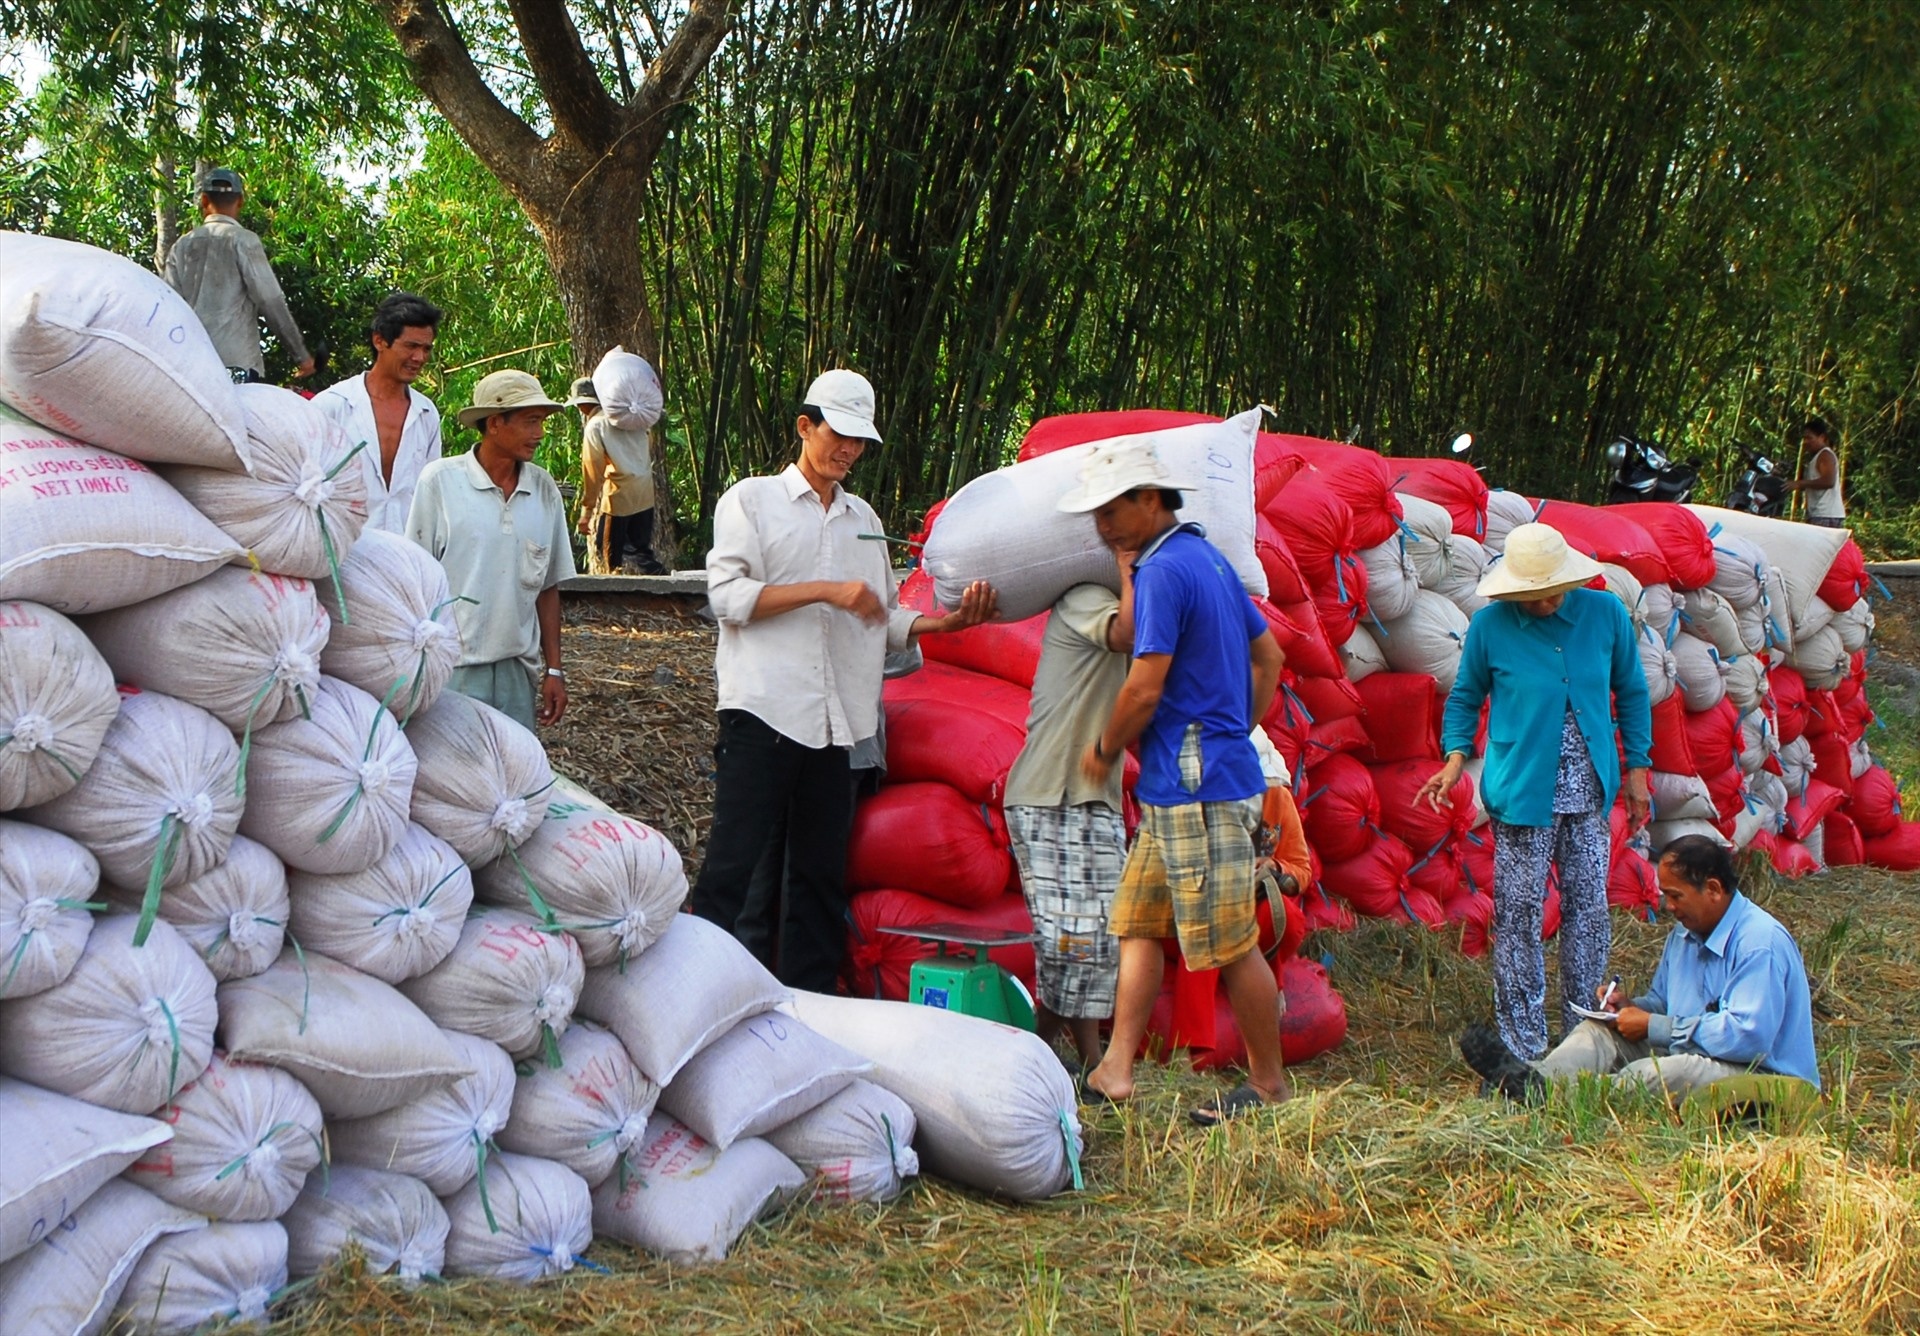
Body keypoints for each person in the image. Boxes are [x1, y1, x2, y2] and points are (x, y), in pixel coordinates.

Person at [692, 369, 994, 993]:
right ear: (805, 427)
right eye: (840, 435)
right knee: (734, 867)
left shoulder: (864, 518)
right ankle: (703, 994)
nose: (850, 451)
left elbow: (880, 615)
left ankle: (808, 1002)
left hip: (839, 722)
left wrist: (945, 622)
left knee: (820, 873)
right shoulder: (750, 501)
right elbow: (727, 596)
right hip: (765, 713)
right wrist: (828, 591)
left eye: (860, 441)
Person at [1070, 440, 1288, 1125]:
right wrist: (1236, 726)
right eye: (1095, 513)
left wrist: (1105, 747)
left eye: (1114, 509)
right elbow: (1270, 655)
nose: (1103, 524)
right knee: (1138, 924)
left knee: (1227, 940)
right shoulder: (1209, 560)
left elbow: (1143, 685)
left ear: (1151, 500)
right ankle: (1117, 1068)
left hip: (1196, 787)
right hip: (1184, 781)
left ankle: (1267, 1084)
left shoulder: (1165, 571)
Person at [1416, 523, 1652, 1066]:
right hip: (1523, 792)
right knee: (1519, 913)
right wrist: (1454, 760)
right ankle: (1522, 1043)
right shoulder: (1490, 627)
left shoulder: (1604, 615)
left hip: (1589, 789)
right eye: (1533, 594)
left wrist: (1638, 769)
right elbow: (1465, 697)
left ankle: (1584, 1037)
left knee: (1589, 909)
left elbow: (1633, 690)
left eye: (1552, 590)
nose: (1545, 601)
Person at [1461, 834, 1819, 1103]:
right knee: (1597, 1032)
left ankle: (1559, 1098)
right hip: (1697, 1049)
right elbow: (1664, 1005)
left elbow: (1747, 1040)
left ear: (1712, 889)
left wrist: (1654, 1026)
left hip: (1765, 1075)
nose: (1667, 906)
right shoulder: (1684, 936)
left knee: (1670, 1071)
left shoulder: (1759, 943)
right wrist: (1630, 1007)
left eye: (1676, 896)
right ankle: (1535, 1081)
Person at [1002, 577, 1134, 1070]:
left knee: (1097, 939)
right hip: (1051, 792)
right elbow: (1126, 634)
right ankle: (1054, 1054)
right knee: (1073, 944)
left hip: (1093, 795)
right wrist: (1131, 563)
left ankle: (1069, 1057)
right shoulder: (1085, 598)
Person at [405, 370, 575, 731]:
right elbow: (414, 581)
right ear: (495, 423)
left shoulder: (543, 489)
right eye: (531, 422)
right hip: (454, 667)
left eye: (541, 422)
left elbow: (547, 587)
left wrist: (554, 669)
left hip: (517, 667)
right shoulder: (439, 483)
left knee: (511, 774)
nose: (540, 433)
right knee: (454, 773)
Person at [163, 166, 315, 384]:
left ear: (204, 201)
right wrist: (301, 355)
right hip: (236, 365)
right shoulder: (243, 240)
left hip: (191, 364)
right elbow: (269, 300)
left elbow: (169, 305)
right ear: (240, 201)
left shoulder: (182, 246)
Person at [312, 293, 446, 534]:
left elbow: (431, 493)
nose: (420, 358)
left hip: (407, 553)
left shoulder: (426, 414)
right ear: (380, 341)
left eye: (426, 349)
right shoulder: (333, 406)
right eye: (411, 346)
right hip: (343, 550)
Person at [572, 368, 668, 574]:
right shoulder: (630, 418)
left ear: (584, 402)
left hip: (619, 492)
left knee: (609, 550)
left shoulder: (595, 426)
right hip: (644, 489)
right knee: (640, 549)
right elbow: (647, 444)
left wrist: (587, 511)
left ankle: (614, 589)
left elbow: (592, 468)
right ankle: (663, 581)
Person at [1781, 417, 1845, 528]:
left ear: (1822, 437)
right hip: (1820, 514)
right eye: (1804, 438)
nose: (1805, 442)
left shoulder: (1825, 455)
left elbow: (1828, 481)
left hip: (1825, 515)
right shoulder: (1819, 456)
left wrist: (1800, 484)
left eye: (1809, 438)